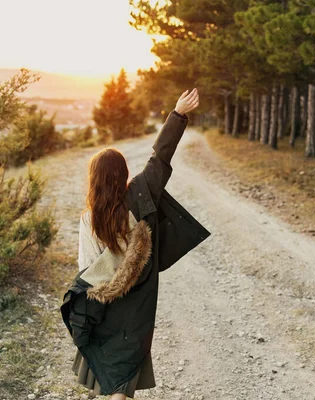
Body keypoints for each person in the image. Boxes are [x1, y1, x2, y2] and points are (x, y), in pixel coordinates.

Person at [60, 89, 210, 399]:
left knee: (113, 377)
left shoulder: (90, 218)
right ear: (123, 175)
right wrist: (178, 115)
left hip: (104, 307)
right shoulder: (140, 196)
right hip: (136, 307)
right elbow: (161, 157)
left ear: (94, 180)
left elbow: (87, 269)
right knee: (123, 384)